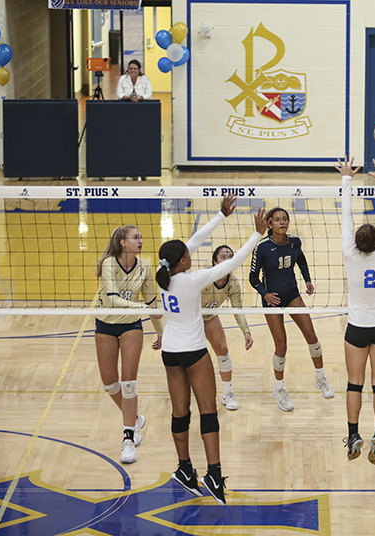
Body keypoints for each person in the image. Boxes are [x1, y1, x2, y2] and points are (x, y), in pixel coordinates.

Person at [155, 196, 266, 505]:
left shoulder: (163, 276)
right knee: (208, 412)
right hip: (192, 351)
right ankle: (213, 475)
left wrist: (220, 216)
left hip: (169, 352)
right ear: (182, 262)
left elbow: (191, 242)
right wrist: (256, 234)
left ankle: (184, 469)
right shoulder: (192, 281)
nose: (192, 253)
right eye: (186, 255)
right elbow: (231, 264)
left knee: (180, 412)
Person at [338, 155, 375, 464]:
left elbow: (345, 214)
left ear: (358, 243)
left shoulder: (350, 253)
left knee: (354, 383)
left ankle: (353, 434)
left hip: (357, 327)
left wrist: (347, 177)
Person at [249, 207, 334, 412]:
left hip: (293, 295)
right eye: (277, 220)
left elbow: (301, 259)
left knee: (311, 335)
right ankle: (279, 388)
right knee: (281, 345)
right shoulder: (261, 248)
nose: (282, 222)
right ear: (269, 224)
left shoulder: (295, 242)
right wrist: (265, 294)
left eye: (285, 219)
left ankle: (320, 378)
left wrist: (308, 280)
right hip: (273, 299)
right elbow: (252, 278)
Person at [95, 225, 163, 464]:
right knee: (110, 384)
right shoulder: (109, 264)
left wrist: (160, 333)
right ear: (123, 243)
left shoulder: (144, 266)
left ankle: (128, 439)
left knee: (129, 383)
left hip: (131, 326)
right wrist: (143, 309)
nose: (141, 240)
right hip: (105, 323)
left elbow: (152, 301)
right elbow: (112, 299)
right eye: (136, 237)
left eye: (141, 237)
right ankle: (134, 417)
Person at [201, 245, 254, 411]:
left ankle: (227, 393)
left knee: (222, 349)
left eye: (231, 256)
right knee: (194, 357)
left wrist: (246, 331)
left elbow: (237, 309)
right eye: (223, 256)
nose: (228, 259)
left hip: (209, 316)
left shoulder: (233, 282)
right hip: (190, 319)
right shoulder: (204, 278)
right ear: (215, 261)